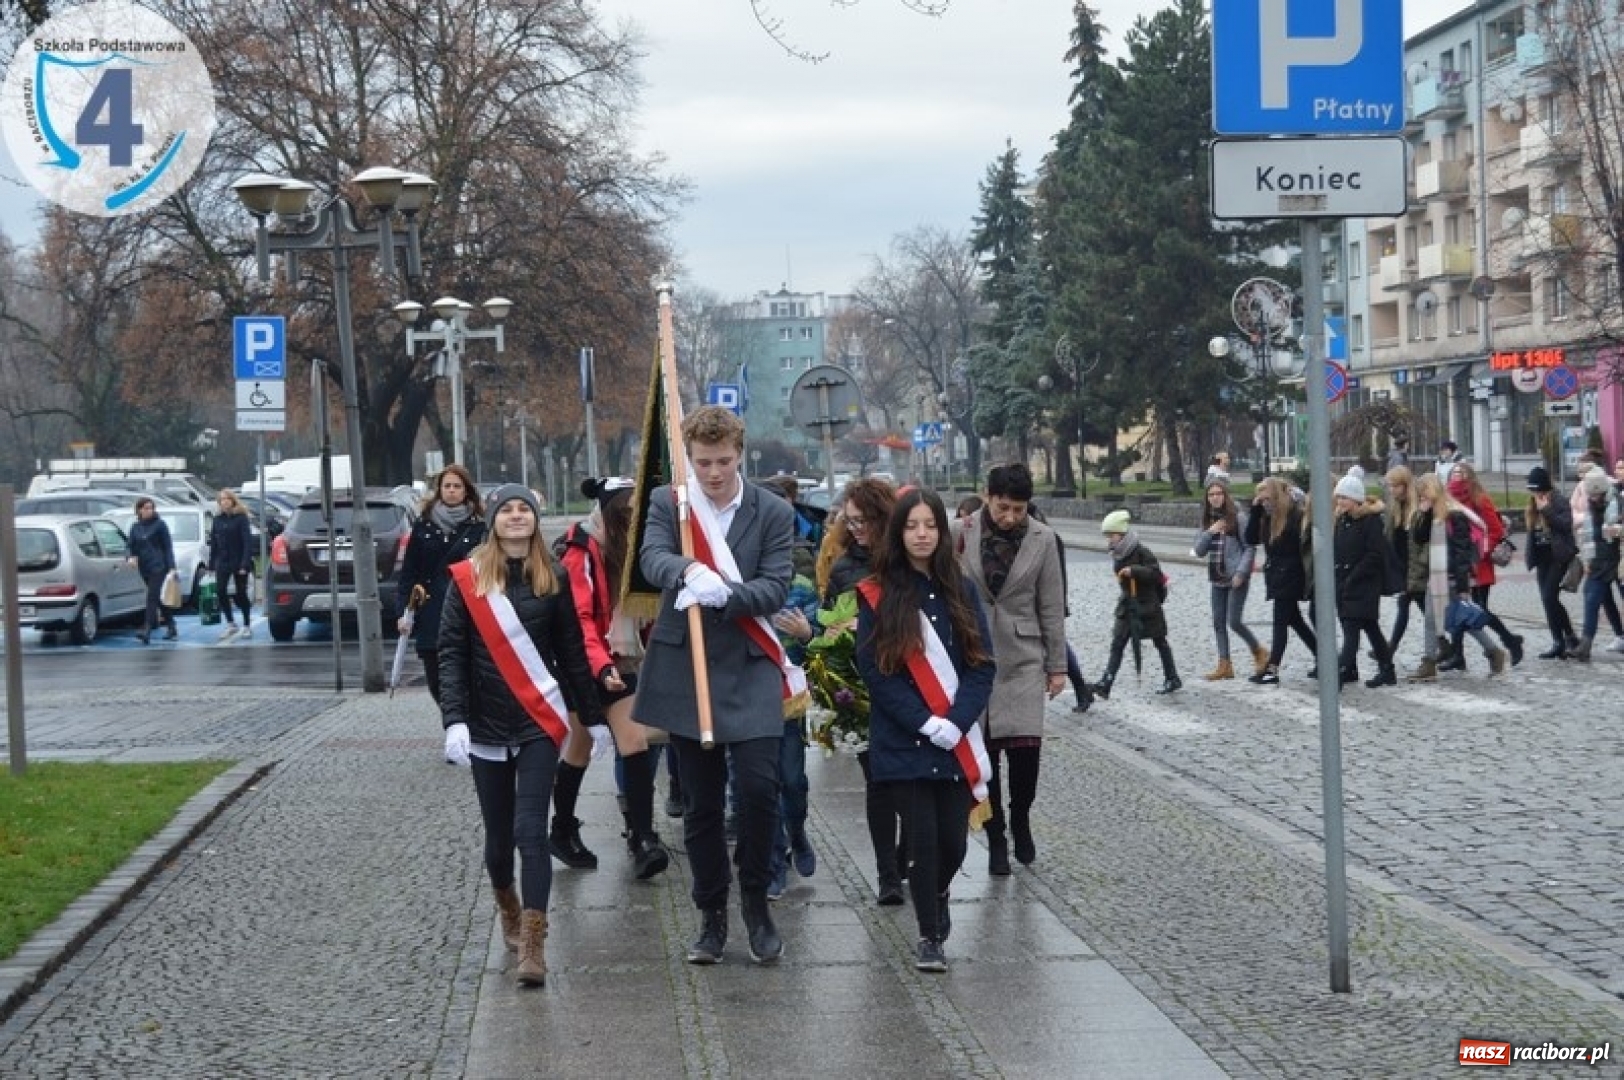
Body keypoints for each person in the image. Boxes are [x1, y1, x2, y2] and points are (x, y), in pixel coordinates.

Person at [633, 405, 797, 966]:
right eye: (702, 462)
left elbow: (776, 585)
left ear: (740, 454)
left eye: (723, 461)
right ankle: (711, 913)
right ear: (689, 458)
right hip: (689, 667)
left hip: (748, 663)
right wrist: (686, 571)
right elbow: (650, 558)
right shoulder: (669, 504)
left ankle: (756, 900)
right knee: (700, 804)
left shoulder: (771, 510)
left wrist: (729, 594)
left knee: (757, 791)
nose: (713, 474)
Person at [438, 484, 607, 987]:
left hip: (537, 724)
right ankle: (508, 911)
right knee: (498, 842)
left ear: (535, 520)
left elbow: (572, 656)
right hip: (486, 724)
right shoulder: (466, 582)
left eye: (524, 510)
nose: (516, 517)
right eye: (506, 510)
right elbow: (451, 654)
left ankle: (533, 944)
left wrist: (591, 716)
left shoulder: (551, 577)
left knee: (531, 832)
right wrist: (455, 721)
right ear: (492, 520)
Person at [855, 487, 996, 973]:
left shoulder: (962, 587)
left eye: (930, 526)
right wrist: (923, 721)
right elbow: (875, 670)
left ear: (942, 531)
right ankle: (929, 934)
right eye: (912, 526)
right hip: (903, 742)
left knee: (954, 843)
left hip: (953, 741)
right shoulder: (879, 592)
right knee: (921, 839)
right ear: (899, 532)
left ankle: (937, 896)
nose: (921, 534)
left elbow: (981, 665)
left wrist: (955, 723)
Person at [953, 463, 1067, 876]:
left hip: (1023, 656)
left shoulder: (1043, 539)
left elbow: (1052, 606)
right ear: (987, 496)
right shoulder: (960, 532)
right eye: (1003, 508)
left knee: (1025, 755)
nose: (1010, 518)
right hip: (976, 658)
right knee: (987, 757)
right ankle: (997, 835)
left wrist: (1058, 667)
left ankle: (1021, 818)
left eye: (1019, 509)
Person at [554, 476, 670, 879]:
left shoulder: (641, 550)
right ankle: (562, 828)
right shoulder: (580, 553)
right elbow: (580, 618)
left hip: (624, 661)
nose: (632, 523)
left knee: (633, 741)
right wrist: (600, 665)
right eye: (626, 515)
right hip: (582, 665)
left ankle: (643, 838)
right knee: (579, 750)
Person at [816, 479, 907, 904]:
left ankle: (907, 855)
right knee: (879, 783)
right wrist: (836, 631)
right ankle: (887, 874)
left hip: (912, 685)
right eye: (849, 522)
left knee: (912, 785)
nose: (855, 529)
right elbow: (829, 622)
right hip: (865, 685)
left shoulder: (909, 560)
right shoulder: (843, 567)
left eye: (862, 521)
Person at [397, 464, 487, 703]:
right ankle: (453, 723)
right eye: (447, 486)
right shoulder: (423, 525)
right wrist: (402, 613)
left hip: (468, 612)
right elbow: (409, 573)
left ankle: (466, 728)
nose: (451, 491)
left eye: (457, 486)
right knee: (437, 682)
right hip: (430, 613)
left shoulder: (480, 527)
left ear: (466, 490)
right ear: (439, 490)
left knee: (468, 678)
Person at [1410, 473, 1508, 677]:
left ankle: (1493, 651)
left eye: (1424, 494)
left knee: (1461, 620)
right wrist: (1423, 514)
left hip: (1452, 576)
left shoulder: (1454, 514)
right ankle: (1429, 663)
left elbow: (1462, 551)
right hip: (1436, 573)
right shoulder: (1433, 515)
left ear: (1433, 491)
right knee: (1432, 618)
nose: (1422, 498)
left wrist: (1463, 586)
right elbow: (1419, 538)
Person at [1091, 509, 1181, 698]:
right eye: (1108, 536)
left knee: (1160, 641)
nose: (1110, 540)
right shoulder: (1118, 553)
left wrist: (1134, 570)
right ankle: (1106, 682)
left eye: (1112, 535)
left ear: (1122, 535)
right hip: (1128, 605)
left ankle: (1172, 677)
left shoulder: (1141, 551)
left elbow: (1156, 574)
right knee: (1118, 642)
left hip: (1148, 605)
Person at [1442, 464, 1524, 669]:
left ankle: (1510, 640)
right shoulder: (1448, 501)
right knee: (1458, 607)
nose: (1456, 477)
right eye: (1453, 473)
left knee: (1479, 609)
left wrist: (1480, 552)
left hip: (1479, 563)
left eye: (1460, 473)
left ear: (1470, 476)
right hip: (1460, 563)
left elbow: (1495, 530)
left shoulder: (1480, 499)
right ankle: (1458, 656)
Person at [1243, 477, 1316, 684]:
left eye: (1266, 498)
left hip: (1291, 575)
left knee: (1280, 623)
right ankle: (1324, 657)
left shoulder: (1294, 515)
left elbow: (1295, 545)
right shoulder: (1267, 516)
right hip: (1277, 574)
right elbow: (1250, 539)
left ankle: (1272, 668)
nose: (1263, 502)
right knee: (1295, 621)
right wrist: (1255, 510)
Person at [1192, 478, 1266, 680]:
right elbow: (1198, 551)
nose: (1215, 498)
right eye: (1211, 494)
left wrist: (1242, 573)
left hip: (1235, 577)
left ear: (1225, 496)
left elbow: (1249, 547)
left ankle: (1258, 650)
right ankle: (1224, 664)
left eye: (1218, 494)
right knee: (1218, 622)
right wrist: (1210, 532)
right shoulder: (1206, 521)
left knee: (1234, 621)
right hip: (1217, 577)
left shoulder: (1238, 518)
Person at [1330, 470, 1396, 687]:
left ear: (1356, 499)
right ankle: (1386, 669)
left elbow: (1374, 554)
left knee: (1351, 629)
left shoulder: (1370, 521)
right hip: (1344, 582)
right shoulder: (1342, 520)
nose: (1340, 501)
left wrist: (1354, 575)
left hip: (1363, 583)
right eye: (1338, 497)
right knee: (1370, 627)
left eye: (1344, 497)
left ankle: (1339, 672)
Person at [1523, 466, 1581, 660]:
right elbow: (1532, 532)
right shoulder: (1533, 504)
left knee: (1549, 596)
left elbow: (1565, 525)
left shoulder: (1559, 501)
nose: (1535, 494)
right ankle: (1566, 638)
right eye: (1533, 490)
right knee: (1549, 600)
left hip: (1558, 556)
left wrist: (1546, 510)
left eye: (1538, 489)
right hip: (1542, 558)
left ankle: (1562, 641)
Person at [1570, 468, 1623, 661]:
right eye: (1590, 495)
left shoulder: (1618, 501)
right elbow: (1587, 535)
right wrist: (1586, 561)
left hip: (1620, 558)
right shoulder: (1591, 505)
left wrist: (1618, 530)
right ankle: (1585, 645)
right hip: (1600, 560)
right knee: (1592, 598)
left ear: (1603, 491)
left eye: (1596, 495)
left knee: (1604, 598)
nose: (1592, 499)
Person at [126, 496, 177, 644]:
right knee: (159, 598)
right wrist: (130, 556)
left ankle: (147, 629)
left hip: (159, 566)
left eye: (151, 508)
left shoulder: (160, 525)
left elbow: (168, 547)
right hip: (144, 567)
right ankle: (172, 626)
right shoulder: (135, 527)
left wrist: (172, 567)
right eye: (146, 508)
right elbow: (130, 545)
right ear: (139, 510)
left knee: (152, 597)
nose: (149, 511)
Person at [1382, 467, 1420, 656]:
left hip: (1416, 568)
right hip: (1402, 567)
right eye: (1390, 486)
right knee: (1405, 606)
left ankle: (1447, 645)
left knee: (1428, 611)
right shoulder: (1395, 507)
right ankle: (1391, 648)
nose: (1391, 490)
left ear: (1405, 485)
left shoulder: (1416, 508)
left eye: (1394, 486)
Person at [209, 488, 255, 639]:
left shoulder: (241, 518)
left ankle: (247, 624)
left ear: (233, 501)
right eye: (222, 500)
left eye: (227, 499)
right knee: (221, 591)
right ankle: (230, 623)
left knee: (241, 593)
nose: (224, 502)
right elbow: (214, 543)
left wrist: (244, 564)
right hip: (222, 561)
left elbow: (246, 542)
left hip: (239, 560)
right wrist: (211, 565)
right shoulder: (217, 520)